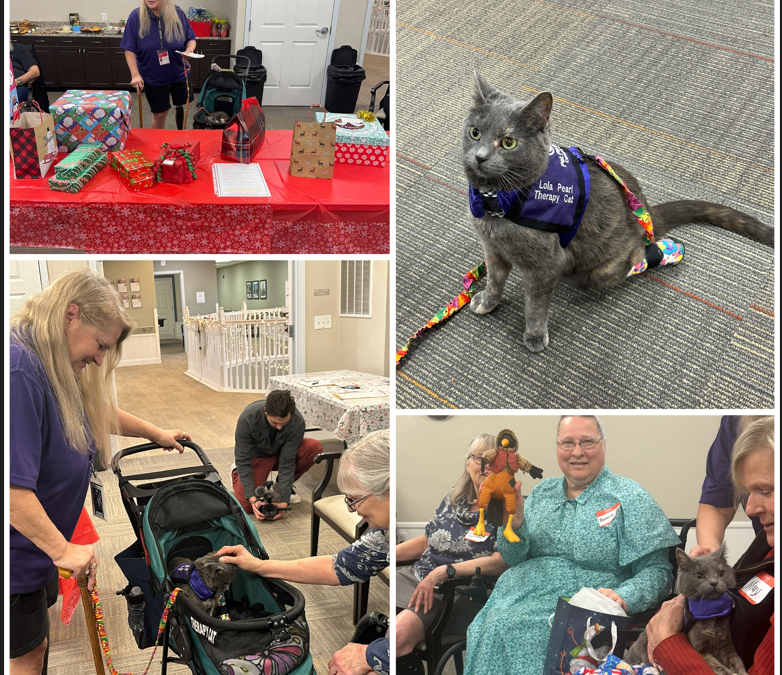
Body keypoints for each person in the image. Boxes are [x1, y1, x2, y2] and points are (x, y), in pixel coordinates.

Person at [9, 268, 191, 675]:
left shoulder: (51, 359)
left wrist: (155, 432)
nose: (100, 357)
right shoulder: (19, 368)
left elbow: (93, 412)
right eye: (100, 344)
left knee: (35, 645)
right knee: (26, 656)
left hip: (36, 547)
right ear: (71, 314)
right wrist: (62, 549)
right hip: (17, 553)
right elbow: (10, 489)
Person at [464, 415, 680, 675]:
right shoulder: (543, 493)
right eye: (567, 443)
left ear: (603, 445)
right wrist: (515, 525)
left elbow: (658, 571)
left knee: (517, 629)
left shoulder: (629, 496)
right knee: (487, 626)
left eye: (587, 441)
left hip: (577, 614)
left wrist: (626, 596)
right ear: (557, 448)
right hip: (511, 599)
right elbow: (513, 557)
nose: (577, 452)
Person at [218, 429, 390, 675]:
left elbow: (440, 619)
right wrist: (258, 565)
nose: (351, 510)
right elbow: (338, 567)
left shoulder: (434, 537)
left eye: (354, 499)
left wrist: (370, 656)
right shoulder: (386, 533)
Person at [646, 416, 774, 675]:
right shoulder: (734, 421)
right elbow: (717, 501)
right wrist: (709, 557)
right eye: (748, 492)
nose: (748, 508)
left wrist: (667, 643)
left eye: (767, 490)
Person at [396, 433, 508, 658]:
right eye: (480, 458)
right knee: (378, 620)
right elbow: (427, 541)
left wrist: (444, 572)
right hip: (419, 577)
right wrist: (387, 555)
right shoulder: (453, 499)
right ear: (468, 464)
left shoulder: (506, 508)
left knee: (397, 636)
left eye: (494, 460)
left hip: (458, 593)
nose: (487, 466)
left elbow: (501, 563)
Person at [231, 390, 322, 519]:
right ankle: (235, 472)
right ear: (265, 411)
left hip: (281, 454)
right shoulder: (247, 418)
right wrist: (252, 498)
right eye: (275, 423)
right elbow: (243, 459)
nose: (279, 427)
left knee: (314, 447)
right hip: (258, 457)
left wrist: (284, 501)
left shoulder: (297, 421)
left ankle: (282, 486)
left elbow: (287, 462)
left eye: (284, 423)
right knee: (247, 506)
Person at [691, 415, 765, 556]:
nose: (749, 510)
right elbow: (717, 505)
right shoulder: (737, 421)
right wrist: (710, 552)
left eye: (766, 491)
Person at [120, 0, 196, 129]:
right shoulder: (136, 16)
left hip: (178, 72)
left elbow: (191, 39)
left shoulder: (177, 13)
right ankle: (157, 145)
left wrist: (189, 50)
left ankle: (181, 136)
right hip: (152, 75)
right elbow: (129, 49)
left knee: (181, 107)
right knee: (159, 114)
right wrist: (135, 75)